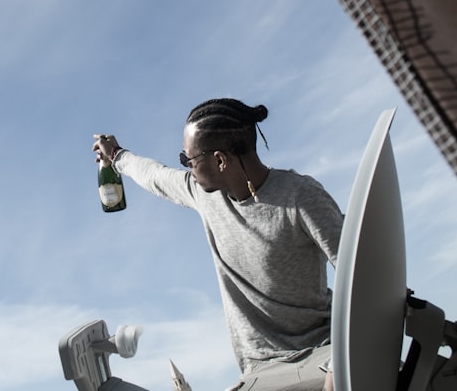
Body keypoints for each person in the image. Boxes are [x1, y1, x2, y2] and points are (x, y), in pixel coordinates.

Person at [92, 98, 343, 391]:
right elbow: (155, 176)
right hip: (261, 371)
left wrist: (341, 367)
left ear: (220, 160)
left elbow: (365, 280)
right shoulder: (206, 196)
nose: (186, 167)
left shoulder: (301, 196)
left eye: (189, 160)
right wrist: (117, 155)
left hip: (323, 354)